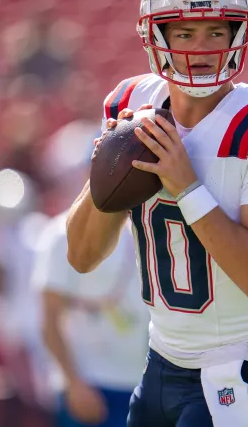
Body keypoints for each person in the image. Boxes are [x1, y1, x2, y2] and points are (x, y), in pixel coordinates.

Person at [65, 0, 248, 426]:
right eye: (183, 32)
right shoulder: (130, 104)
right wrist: (109, 170)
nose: (200, 47)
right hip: (161, 359)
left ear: (238, 33)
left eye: (215, 31)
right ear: (154, 35)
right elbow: (81, 256)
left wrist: (187, 187)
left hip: (240, 367)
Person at [34, 120, 150, 427]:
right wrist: (73, 382)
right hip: (91, 384)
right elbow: (49, 320)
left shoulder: (144, 228)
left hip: (141, 384)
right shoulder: (59, 234)